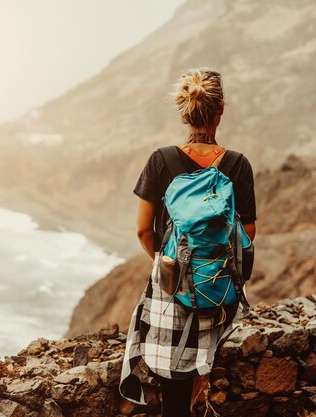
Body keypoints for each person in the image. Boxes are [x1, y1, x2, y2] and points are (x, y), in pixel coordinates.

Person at [119, 68, 257, 417]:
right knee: (204, 368)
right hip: (218, 290)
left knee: (174, 396)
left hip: (172, 291)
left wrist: (169, 265)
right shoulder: (238, 165)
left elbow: (143, 230)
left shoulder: (161, 160)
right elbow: (249, 233)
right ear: (220, 110)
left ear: (184, 110)